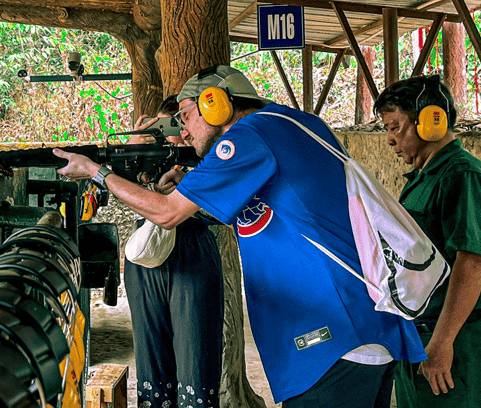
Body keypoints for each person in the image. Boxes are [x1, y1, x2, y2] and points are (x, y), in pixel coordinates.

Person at [54, 64, 427, 407]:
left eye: (186, 115)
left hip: (334, 340)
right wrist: (194, 190)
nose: (182, 131)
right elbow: (280, 209)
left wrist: (95, 171)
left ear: (214, 104)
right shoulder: (289, 124)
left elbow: (167, 214)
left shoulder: (249, 135)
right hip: (365, 328)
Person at [373, 75, 481, 407]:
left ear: (430, 121)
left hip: (451, 340)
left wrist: (442, 342)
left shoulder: (461, 176)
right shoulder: (421, 178)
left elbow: (473, 264)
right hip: (418, 334)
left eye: (395, 127)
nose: (390, 140)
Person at [124, 95, 223, 408]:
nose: (173, 132)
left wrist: (187, 186)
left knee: (197, 355)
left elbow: (222, 212)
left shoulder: (212, 156)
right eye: (165, 124)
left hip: (193, 255)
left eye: (180, 123)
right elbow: (120, 194)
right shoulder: (147, 155)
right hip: (147, 258)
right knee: (151, 355)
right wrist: (136, 150)